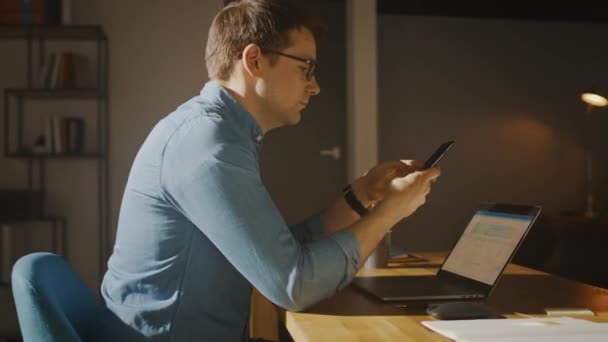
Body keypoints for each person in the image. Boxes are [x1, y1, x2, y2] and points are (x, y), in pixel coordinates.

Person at [100, 0, 441, 341]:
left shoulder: (220, 134)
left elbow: (277, 254)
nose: (315, 85)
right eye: (305, 68)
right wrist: (389, 213)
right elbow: (293, 283)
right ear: (254, 60)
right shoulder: (209, 145)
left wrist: (363, 195)